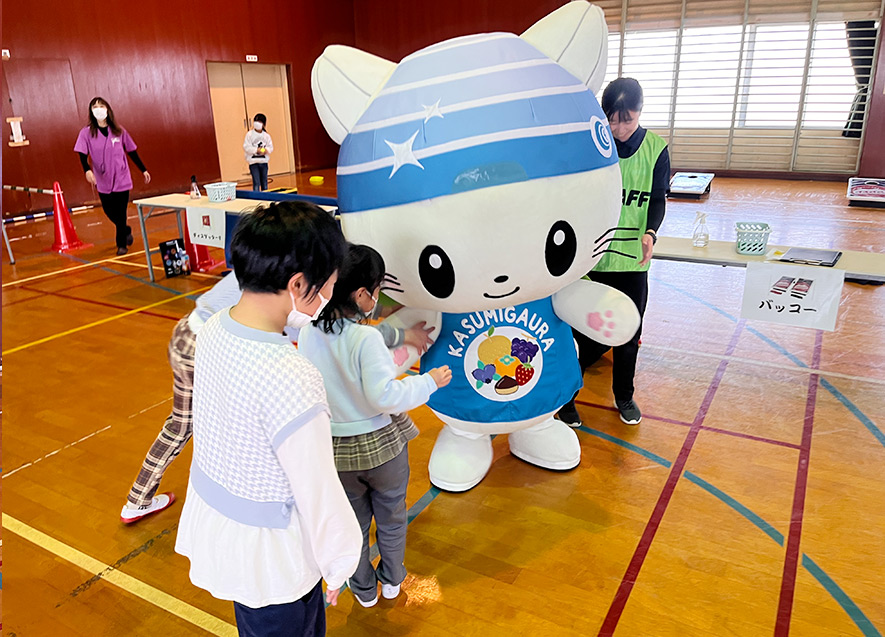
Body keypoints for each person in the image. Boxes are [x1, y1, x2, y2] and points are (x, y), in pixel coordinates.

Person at [175, 202, 361, 636]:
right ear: (299, 284)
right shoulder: (292, 377)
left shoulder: (216, 327)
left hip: (230, 530)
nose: (329, 295)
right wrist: (339, 561)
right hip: (277, 553)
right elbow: (318, 488)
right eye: (329, 285)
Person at [298, 244, 451, 608]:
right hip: (381, 448)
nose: (378, 297)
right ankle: (393, 580)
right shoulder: (363, 338)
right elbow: (385, 396)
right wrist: (429, 381)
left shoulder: (308, 333)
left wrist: (400, 337)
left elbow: (352, 341)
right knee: (392, 517)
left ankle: (363, 590)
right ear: (363, 294)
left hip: (335, 450)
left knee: (353, 524)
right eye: (378, 290)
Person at [557, 77, 670, 427]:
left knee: (627, 334)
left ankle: (624, 396)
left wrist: (651, 232)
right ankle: (566, 400)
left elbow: (657, 199)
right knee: (579, 336)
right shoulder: (593, 145)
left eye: (628, 119)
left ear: (639, 114)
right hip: (591, 259)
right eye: (612, 119)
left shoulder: (656, 149)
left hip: (631, 262)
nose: (619, 128)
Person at [120, 271, 242, 524]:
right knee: (234, 424)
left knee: (180, 426)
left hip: (186, 333)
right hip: (207, 347)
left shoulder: (259, 254)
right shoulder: (286, 277)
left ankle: (137, 500)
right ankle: (230, 503)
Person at [74, 97, 151, 255]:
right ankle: (125, 229)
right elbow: (82, 154)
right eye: (95, 107)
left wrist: (143, 169)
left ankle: (121, 245)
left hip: (121, 177)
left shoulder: (119, 131)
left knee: (121, 211)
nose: (98, 109)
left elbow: (131, 151)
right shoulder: (86, 133)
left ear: (107, 109)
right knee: (109, 211)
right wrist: (86, 170)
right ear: (91, 111)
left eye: (101, 105)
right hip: (102, 180)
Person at [244, 113, 273, 191]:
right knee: (256, 182)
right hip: (253, 163)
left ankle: (265, 197)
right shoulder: (249, 135)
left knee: (264, 182)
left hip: (263, 162)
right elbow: (247, 147)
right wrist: (256, 150)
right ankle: (256, 198)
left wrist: (264, 150)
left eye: (260, 122)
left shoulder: (266, 136)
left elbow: (270, 148)